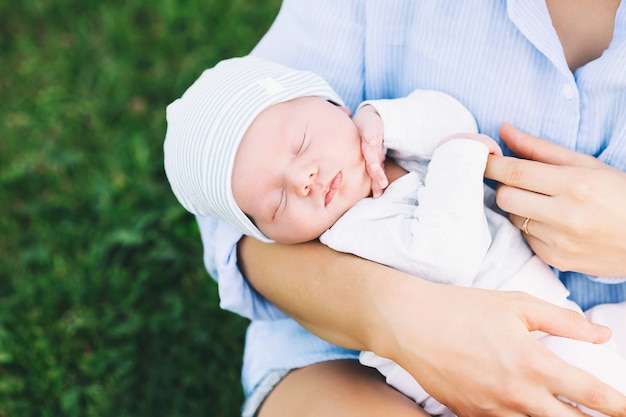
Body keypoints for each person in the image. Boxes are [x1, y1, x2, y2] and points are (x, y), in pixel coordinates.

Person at [172, 2, 626, 416]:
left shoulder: (380, 148)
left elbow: (448, 117)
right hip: (426, 365)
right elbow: (445, 258)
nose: (302, 178)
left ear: (333, 102)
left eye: (302, 143)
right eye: (277, 202)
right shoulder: (352, 232)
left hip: (554, 319)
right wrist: (458, 157)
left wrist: (385, 119)